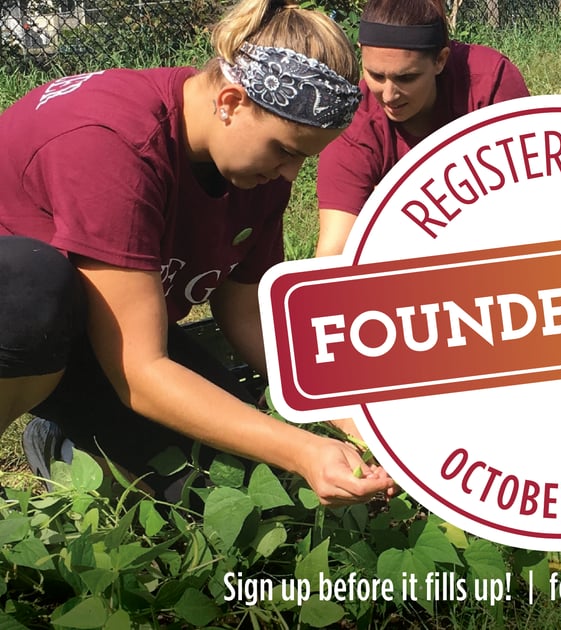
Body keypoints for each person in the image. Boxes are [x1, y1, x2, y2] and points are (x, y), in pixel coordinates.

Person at [0, 0, 396, 506]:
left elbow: (248, 310)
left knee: (226, 487)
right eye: (285, 151)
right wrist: (302, 449)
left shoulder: (255, 169)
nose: (291, 175)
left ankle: (74, 440)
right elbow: (141, 374)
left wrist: (349, 418)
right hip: (24, 318)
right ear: (230, 102)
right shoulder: (114, 145)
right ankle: (56, 433)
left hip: (106, 324)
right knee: (30, 288)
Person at [314, 0, 529, 257]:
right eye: (376, 76)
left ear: (440, 60)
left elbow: (532, 201)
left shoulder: (489, 84)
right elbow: (336, 251)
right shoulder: (355, 122)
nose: (389, 95)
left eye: (406, 78)